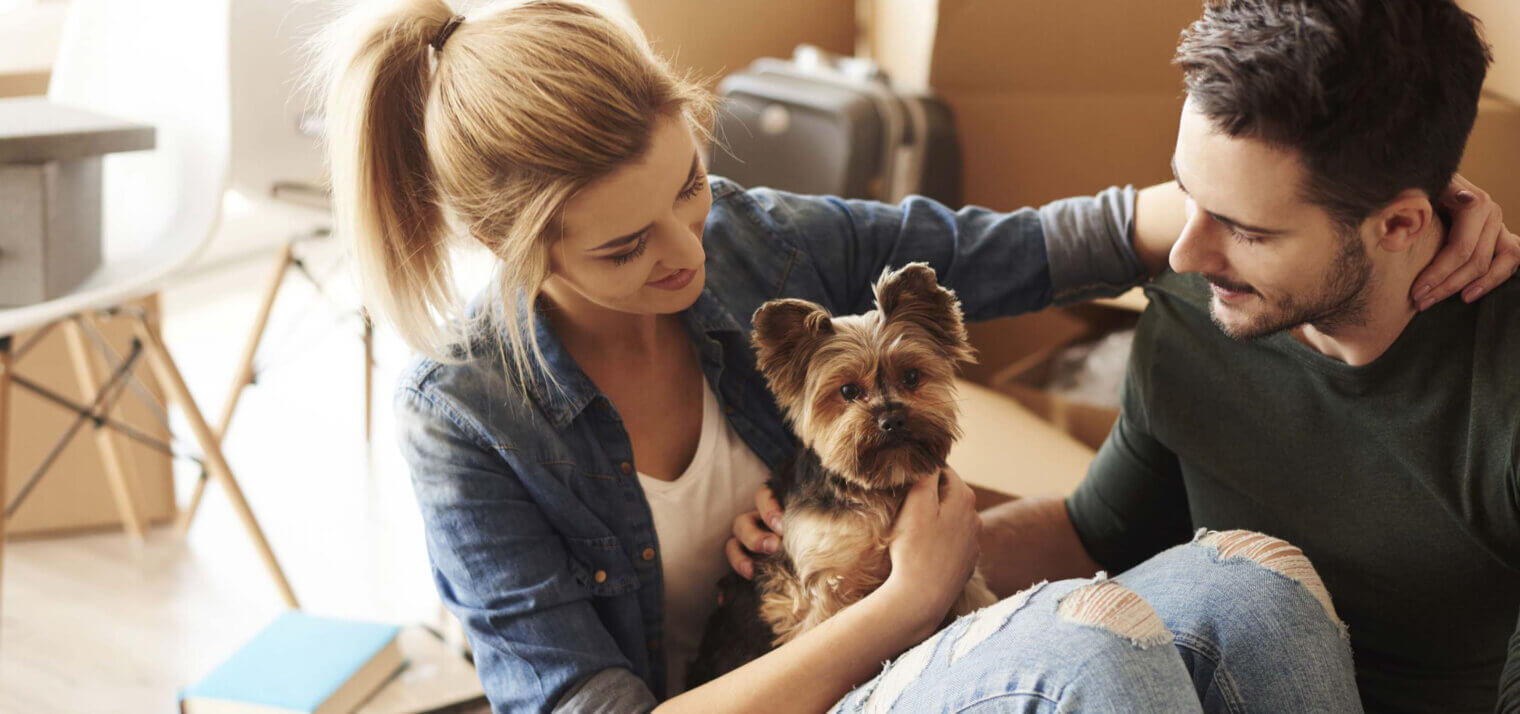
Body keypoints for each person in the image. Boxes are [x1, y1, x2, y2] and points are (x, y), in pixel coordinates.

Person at [317, 0, 1513, 711]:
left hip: (888, 613)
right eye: (629, 246)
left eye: (691, 183)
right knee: (1091, 647)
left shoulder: (745, 237)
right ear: (503, 244)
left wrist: (1394, 199)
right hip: (800, 671)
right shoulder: (467, 420)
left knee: (1250, 582)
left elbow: (1040, 248)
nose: (692, 247)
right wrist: (907, 594)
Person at [735, 1, 1520, 711]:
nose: (1182, 252)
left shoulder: (1499, 386)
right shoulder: (1197, 309)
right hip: (1193, 676)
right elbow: (1096, 531)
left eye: (1246, 229)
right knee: (1226, 591)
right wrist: (840, 555)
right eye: (1186, 197)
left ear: (1402, 225)